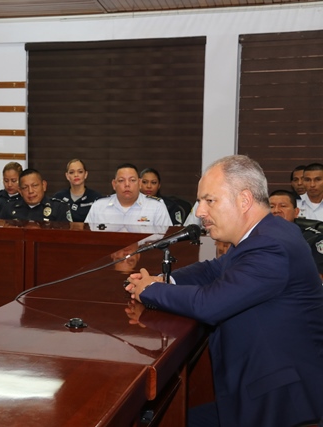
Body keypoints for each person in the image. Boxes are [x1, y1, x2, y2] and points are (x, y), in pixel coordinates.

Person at [125, 155, 323, 427]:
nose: (200, 212)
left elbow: (210, 304)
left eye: (210, 200)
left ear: (244, 200)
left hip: (278, 398)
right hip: (253, 385)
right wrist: (163, 279)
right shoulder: (262, 234)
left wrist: (150, 290)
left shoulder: (271, 245)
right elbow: (213, 269)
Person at [84, 163, 172, 226]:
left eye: (132, 180)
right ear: (114, 184)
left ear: (140, 183)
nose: (127, 184)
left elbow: (166, 239)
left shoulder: (156, 207)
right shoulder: (99, 207)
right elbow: (87, 238)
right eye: (121, 180)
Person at [270, 189, 323, 279]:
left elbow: (317, 278)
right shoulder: (256, 237)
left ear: (296, 212)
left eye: (283, 206)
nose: (276, 210)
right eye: (271, 207)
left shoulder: (312, 239)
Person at [0, 168, 72, 222]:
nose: (30, 191)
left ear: (44, 185)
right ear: (20, 191)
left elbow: (67, 236)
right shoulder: (9, 208)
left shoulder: (59, 208)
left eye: (35, 186)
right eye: (25, 187)